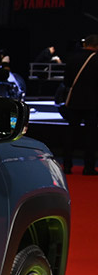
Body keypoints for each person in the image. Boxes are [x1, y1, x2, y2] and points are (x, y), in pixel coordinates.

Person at [60, 34, 98, 175]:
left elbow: (67, 82)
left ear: (85, 44)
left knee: (70, 135)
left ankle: (67, 165)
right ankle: (89, 167)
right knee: (91, 136)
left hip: (74, 101)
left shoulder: (72, 58)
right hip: (93, 102)